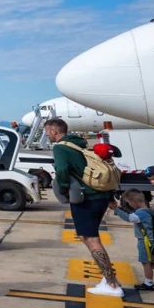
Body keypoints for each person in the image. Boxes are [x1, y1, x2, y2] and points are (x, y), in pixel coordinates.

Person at [48, 118, 123, 296]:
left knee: (91, 239)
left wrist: (64, 190)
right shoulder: (79, 143)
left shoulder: (60, 147)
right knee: (88, 237)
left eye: (47, 132)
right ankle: (109, 279)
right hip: (100, 195)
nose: (47, 135)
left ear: (53, 131)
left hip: (86, 198)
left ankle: (112, 284)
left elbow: (62, 170)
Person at [112, 189, 154, 291]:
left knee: (146, 263)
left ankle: (149, 283)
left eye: (129, 203)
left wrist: (116, 209)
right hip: (150, 241)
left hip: (145, 242)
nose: (130, 205)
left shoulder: (141, 214)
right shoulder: (148, 211)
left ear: (134, 202)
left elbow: (129, 218)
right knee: (148, 262)